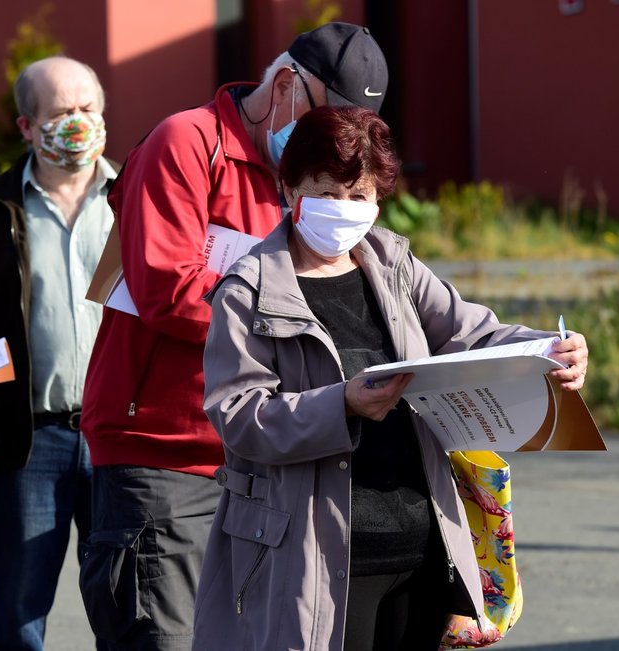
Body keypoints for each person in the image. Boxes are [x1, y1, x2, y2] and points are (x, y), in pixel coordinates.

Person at [194, 105, 590, 650]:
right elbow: (238, 416)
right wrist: (342, 405)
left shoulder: (391, 262)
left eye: (358, 196)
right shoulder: (247, 289)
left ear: (378, 200)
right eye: (326, 192)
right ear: (290, 190)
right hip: (316, 557)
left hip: (421, 547)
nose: (343, 209)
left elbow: (472, 334)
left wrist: (549, 349)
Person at [78, 22, 388, 649]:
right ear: (282, 87)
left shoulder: (312, 181)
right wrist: (295, 325)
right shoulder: (187, 143)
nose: (334, 153)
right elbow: (169, 289)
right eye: (325, 128)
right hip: (164, 458)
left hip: (265, 459)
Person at [0, 55, 114, 650]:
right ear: (27, 127)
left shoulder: (135, 199)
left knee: (131, 605)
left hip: (121, 438)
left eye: (89, 109)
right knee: (16, 611)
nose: (79, 123)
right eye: (62, 112)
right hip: (28, 440)